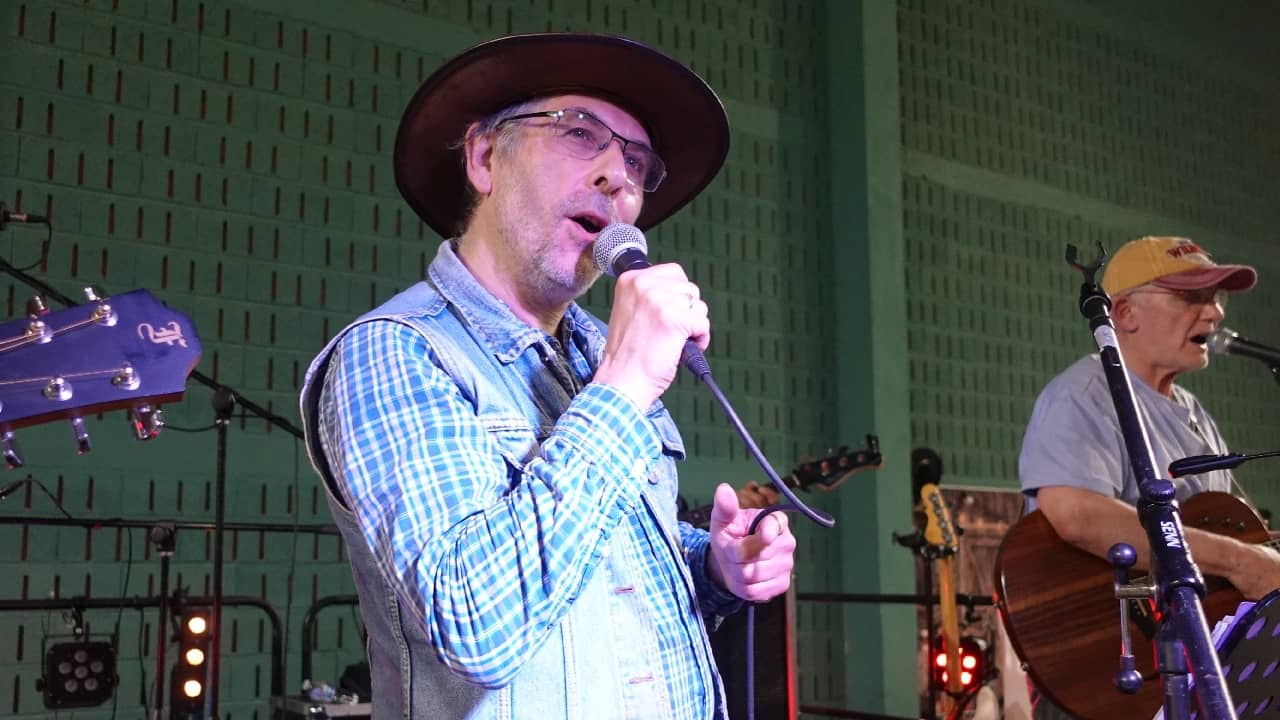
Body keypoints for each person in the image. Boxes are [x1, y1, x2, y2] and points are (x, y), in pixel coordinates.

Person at [299, 33, 797, 720]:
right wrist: (622, 389)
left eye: (636, 161)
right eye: (580, 132)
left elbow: (604, 585)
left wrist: (715, 568)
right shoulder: (394, 353)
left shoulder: (599, 351)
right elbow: (475, 623)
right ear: (483, 157)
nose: (617, 176)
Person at [1017, 235, 1280, 719]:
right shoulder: (1086, 393)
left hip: (1187, 676)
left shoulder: (1195, 415)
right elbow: (1073, 513)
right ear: (1125, 314)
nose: (1215, 313)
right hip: (1105, 676)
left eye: (1216, 298)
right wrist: (1244, 561)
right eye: (1190, 297)